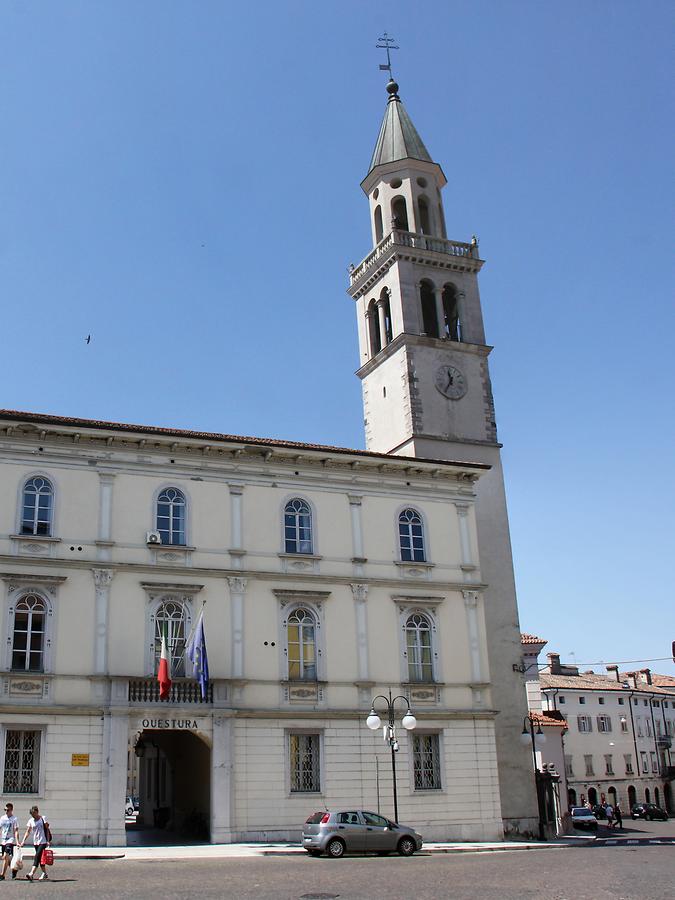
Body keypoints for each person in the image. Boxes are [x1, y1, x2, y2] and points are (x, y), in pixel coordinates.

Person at [20, 805, 50, 882]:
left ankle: (31, 874)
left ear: (37, 812)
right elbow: (28, 831)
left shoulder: (43, 818)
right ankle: (44, 873)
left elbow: (47, 829)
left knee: (37, 856)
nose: (33, 816)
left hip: (42, 841)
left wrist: (48, 840)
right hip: (35, 841)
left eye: (34, 813)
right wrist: (23, 841)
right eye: (32, 814)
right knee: (40, 858)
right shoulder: (31, 821)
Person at [0, 803, 19, 880]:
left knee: (5, 856)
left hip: (10, 840)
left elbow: (16, 831)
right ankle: (14, 869)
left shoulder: (14, 819)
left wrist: (17, 842)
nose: (6, 811)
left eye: (8, 810)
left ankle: (2, 875)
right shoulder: (2, 818)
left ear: (11, 810)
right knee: (6, 858)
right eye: (5, 810)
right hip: (3, 840)